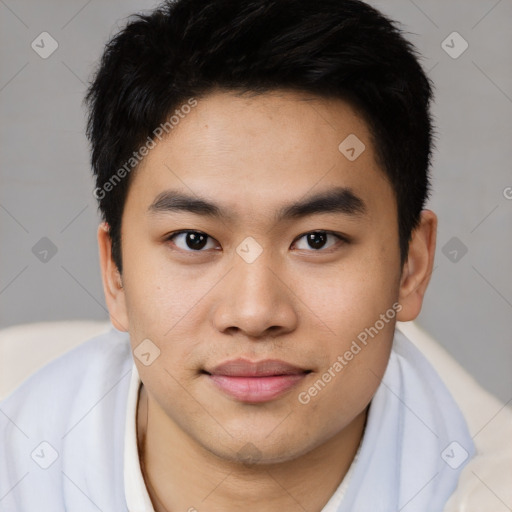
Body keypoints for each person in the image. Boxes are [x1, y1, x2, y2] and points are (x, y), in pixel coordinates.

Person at [0, 0, 475, 510]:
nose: (254, 314)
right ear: (115, 272)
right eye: (194, 240)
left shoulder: (483, 486)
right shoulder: (22, 472)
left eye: (317, 239)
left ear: (412, 265)